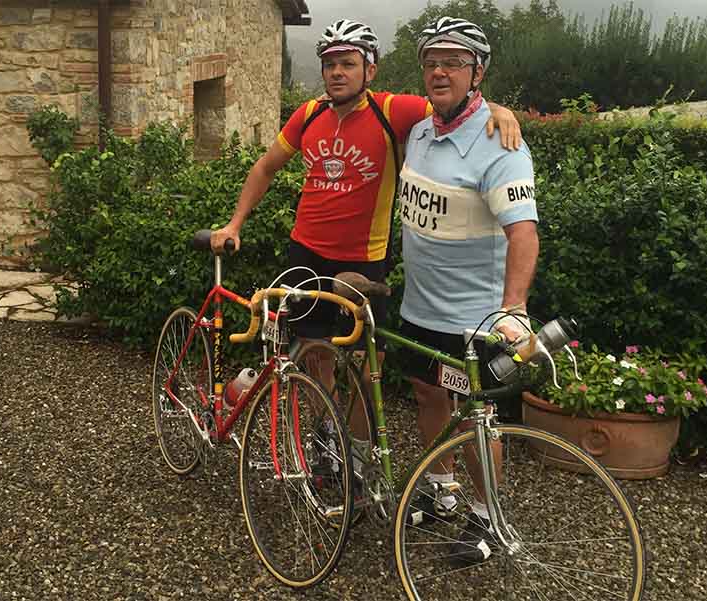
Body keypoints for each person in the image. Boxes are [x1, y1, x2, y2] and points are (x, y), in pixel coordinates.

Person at [211, 19, 520, 402]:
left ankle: (357, 450)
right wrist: (234, 223)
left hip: (364, 261)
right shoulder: (308, 114)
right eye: (329, 64)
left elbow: (454, 103)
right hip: (305, 252)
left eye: (348, 63)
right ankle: (326, 444)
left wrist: (496, 109)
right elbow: (264, 167)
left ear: (370, 69)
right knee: (311, 355)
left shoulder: (393, 111)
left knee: (362, 365)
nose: (337, 72)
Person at [397, 16, 539, 563]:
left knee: (478, 418)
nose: (438, 71)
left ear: (477, 71)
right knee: (429, 394)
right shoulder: (421, 130)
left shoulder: (500, 144)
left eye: (453, 62)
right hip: (420, 306)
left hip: (472, 320)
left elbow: (523, 232)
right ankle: (442, 488)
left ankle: (489, 519)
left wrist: (514, 307)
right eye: (431, 61)